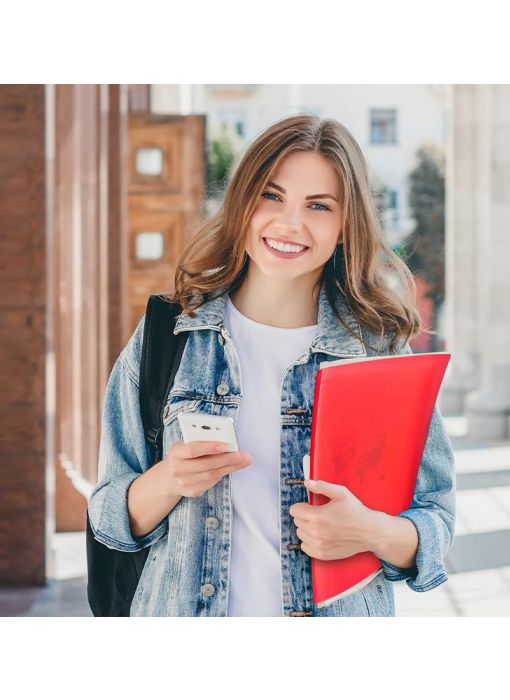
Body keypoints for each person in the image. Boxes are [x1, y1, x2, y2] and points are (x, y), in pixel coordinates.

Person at [87, 113, 456, 617]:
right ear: (242, 202)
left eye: (319, 206)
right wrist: (169, 479)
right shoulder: (168, 335)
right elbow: (108, 513)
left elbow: (435, 520)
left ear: (346, 225)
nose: (290, 223)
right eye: (271, 195)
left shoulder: (378, 352)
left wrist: (372, 531)